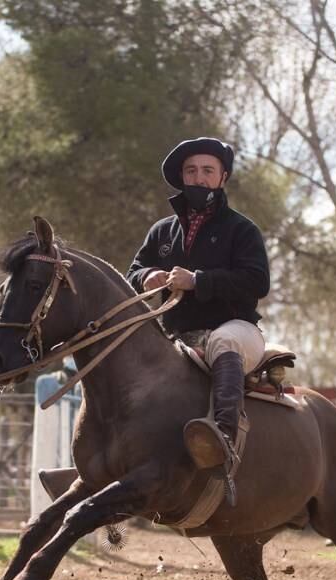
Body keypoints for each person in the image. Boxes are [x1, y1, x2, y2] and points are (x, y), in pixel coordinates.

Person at [126, 137, 270, 472]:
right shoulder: (161, 231)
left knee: (223, 340)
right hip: (174, 336)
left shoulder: (242, 229)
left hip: (237, 330)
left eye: (208, 170)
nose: (199, 177)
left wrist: (198, 281)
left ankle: (222, 440)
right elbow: (131, 273)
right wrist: (147, 276)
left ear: (223, 178)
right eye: (191, 171)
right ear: (182, 178)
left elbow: (257, 282)